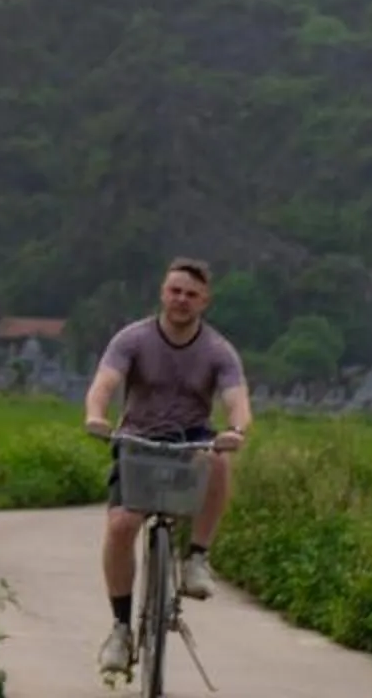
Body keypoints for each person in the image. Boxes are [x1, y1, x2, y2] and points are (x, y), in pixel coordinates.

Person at [82, 258, 252, 678]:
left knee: (216, 460)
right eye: (175, 291)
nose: (181, 300)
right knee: (121, 526)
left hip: (190, 438)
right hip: (138, 437)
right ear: (163, 292)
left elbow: (237, 400)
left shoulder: (218, 350)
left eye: (191, 294)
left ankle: (198, 556)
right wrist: (96, 415)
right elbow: (104, 383)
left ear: (204, 302)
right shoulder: (133, 339)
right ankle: (121, 628)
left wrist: (235, 430)